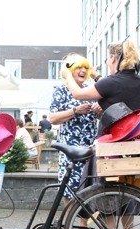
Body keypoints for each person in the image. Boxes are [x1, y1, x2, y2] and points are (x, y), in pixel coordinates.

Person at [62, 40, 140, 229]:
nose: (107, 62)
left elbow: (79, 94)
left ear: (114, 59)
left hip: (111, 148)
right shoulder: (139, 81)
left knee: (106, 192)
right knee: (128, 191)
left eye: (108, 58)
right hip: (134, 149)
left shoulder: (112, 82)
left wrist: (68, 75)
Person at [49, 53, 101, 214]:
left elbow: (102, 114)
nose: (82, 70)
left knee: (88, 187)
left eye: (85, 67)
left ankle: (82, 226)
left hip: (89, 148)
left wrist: (100, 110)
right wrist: (75, 111)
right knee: (69, 188)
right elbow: (53, 118)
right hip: (69, 148)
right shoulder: (62, 91)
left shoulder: (90, 91)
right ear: (69, 70)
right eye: (78, 67)